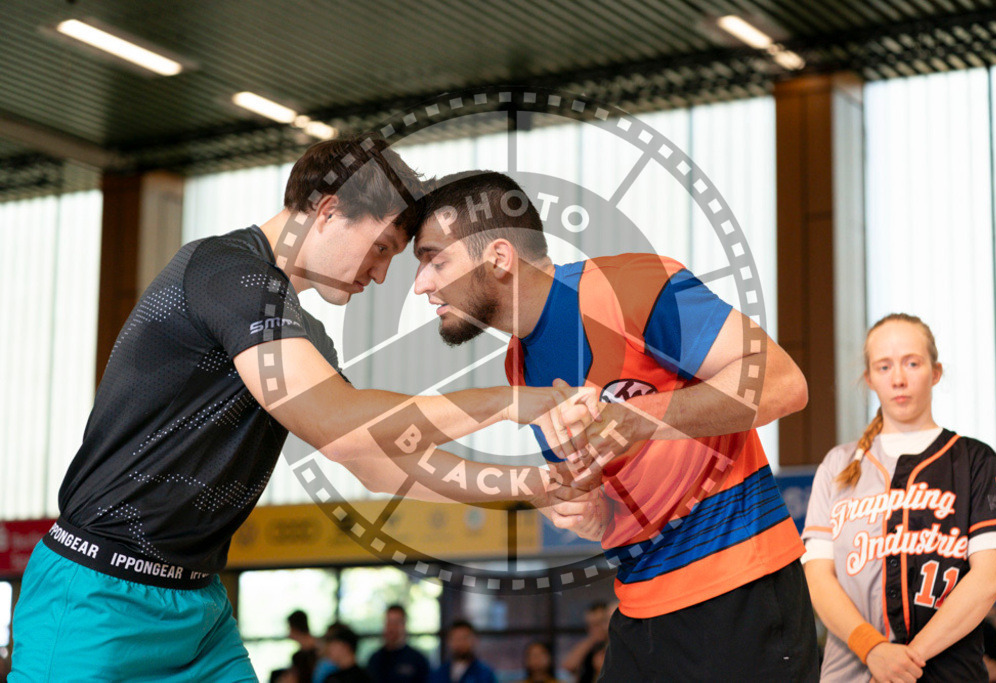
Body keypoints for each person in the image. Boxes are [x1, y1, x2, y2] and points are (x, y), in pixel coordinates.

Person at [7, 138, 597, 682]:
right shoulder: (223, 270)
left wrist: (533, 483)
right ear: (329, 210)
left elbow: (377, 463)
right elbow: (340, 425)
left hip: (198, 610)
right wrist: (508, 402)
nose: (383, 273)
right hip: (97, 594)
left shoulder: (301, 330)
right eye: (384, 248)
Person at [411, 171, 817, 681]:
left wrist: (643, 418)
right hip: (641, 606)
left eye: (436, 260)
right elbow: (606, 507)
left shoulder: (630, 287)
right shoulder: (517, 367)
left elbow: (783, 383)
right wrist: (586, 513)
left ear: (498, 257)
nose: (422, 284)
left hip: (740, 590)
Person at [802, 313, 996, 682]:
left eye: (912, 363)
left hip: (947, 672)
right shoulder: (837, 465)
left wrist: (906, 660)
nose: (899, 379)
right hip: (852, 672)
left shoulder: (974, 460)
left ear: (935, 372)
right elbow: (818, 577)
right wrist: (872, 649)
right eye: (884, 366)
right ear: (870, 378)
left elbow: (990, 578)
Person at [367, 604, 430, 683]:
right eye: (389, 622)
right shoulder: (374, 659)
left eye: (397, 622)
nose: (392, 628)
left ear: (404, 625)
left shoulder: (418, 660)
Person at [430, 620, 497, 683]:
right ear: (448, 641)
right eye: (456, 639)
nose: (460, 643)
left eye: (464, 638)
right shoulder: (439, 673)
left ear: (475, 640)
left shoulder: (485, 674)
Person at [559, 601, 609, 683]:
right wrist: (592, 639)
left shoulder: (615, 645)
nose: (595, 629)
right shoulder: (589, 646)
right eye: (590, 625)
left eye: (598, 623)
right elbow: (568, 666)